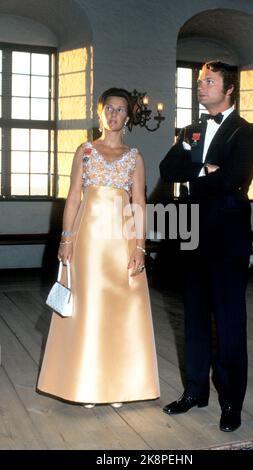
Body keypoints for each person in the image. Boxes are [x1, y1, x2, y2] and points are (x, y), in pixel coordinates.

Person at [37, 88, 160, 408]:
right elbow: (74, 196)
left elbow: (139, 203)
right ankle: (87, 383)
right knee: (88, 309)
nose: (114, 114)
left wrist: (139, 247)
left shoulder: (135, 157)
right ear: (100, 112)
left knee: (120, 311)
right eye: (110, 108)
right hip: (88, 240)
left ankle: (117, 384)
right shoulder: (85, 151)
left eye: (121, 110)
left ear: (128, 117)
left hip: (121, 240)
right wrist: (66, 239)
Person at [159, 61, 253, 431]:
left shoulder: (247, 131)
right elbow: (168, 170)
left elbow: (234, 179)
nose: (201, 86)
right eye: (200, 80)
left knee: (230, 323)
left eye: (209, 81)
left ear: (229, 88)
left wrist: (193, 179)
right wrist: (203, 171)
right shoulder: (190, 130)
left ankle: (231, 402)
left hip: (227, 237)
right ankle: (194, 392)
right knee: (195, 318)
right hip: (191, 234)